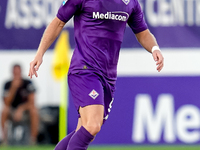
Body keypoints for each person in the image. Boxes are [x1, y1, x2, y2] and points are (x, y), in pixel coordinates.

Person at [28, 0, 164, 149]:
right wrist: (40, 53)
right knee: (92, 126)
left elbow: (142, 32)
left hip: (108, 76)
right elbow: (58, 22)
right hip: (84, 70)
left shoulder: (130, 2)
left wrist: (155, 48)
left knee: (84, 130)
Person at [1, 64, 39, 145]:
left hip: (25, 111)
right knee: (4, 111)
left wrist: (21, 109)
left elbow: (32, 102)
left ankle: (33, 140)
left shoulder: (28, 83)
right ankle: (5, 139)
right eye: (15, 73)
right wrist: (13, 88)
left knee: (34, 110)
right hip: (12, 111)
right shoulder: (7, 84)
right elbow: (6, 103)